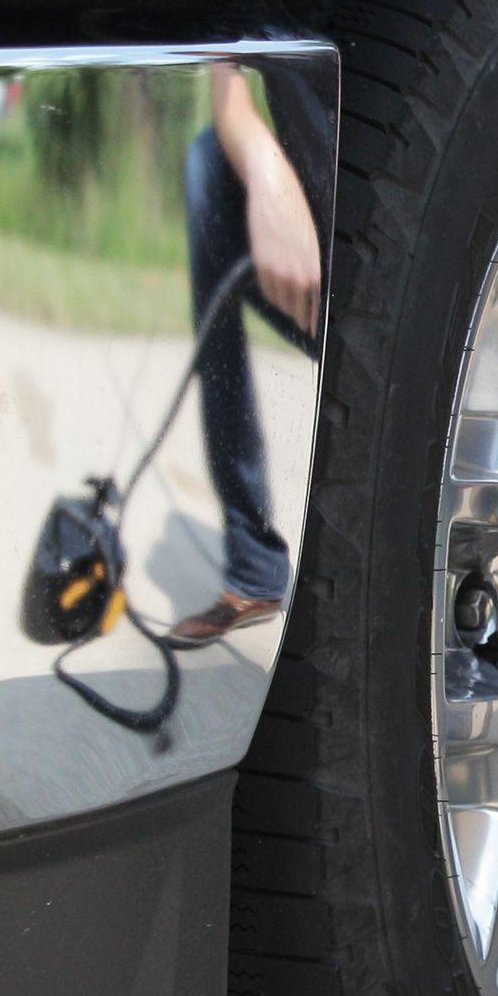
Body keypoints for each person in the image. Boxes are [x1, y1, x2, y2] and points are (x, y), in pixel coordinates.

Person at [169, 62, 326, 648]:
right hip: (318, 230)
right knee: (210, 164)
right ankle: (255, 568)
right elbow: (227, 84)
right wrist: (266, 175)